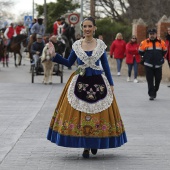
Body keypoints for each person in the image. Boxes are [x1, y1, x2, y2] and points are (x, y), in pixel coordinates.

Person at [47, 17, 127, 158]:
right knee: (81, 115)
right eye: (85, 26)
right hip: (80, 81)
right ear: (82, 28)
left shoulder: (100, 45)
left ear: (94, 28)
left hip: (98, 82)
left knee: (98, 114)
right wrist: (54, 55)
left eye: (90, 26)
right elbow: (68, 63)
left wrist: (111, 83)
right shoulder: (77, 45)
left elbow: (106, 66)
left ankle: (95, 143)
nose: (87, 29)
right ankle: (85, 145)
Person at [138, 28, 167, 100]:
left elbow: (165, 51)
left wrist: (160, 57)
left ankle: (155, 90)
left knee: (158, 79)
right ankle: (151, 94)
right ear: (149, 35)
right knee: (150, 80)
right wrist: (145, 57)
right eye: (150, 34)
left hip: (158, 65)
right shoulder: (144, 42)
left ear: (156, 34)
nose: (152, 35)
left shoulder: (161, 42)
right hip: (148, 64)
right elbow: (140, 52)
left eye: (153, 34)